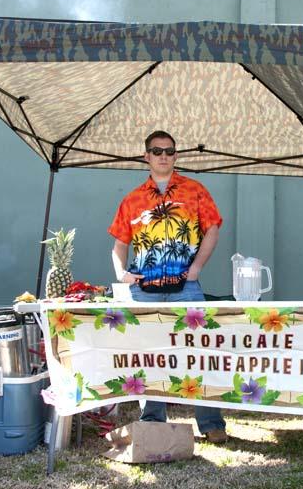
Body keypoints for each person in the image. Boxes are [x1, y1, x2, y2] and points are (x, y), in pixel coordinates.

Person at [108, 130, 227, 443]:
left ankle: (211, 423)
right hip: (143, 290)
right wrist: (122, 273)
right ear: (146, 156)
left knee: (199, 354)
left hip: (186, 287)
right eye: (157, 151)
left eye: (169, 151)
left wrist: (196, 268)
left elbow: (212, 230)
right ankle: (152, 423)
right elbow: (119, 245)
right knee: (149, 356)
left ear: (176, 156)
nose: (163, 156)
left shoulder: (195, 190)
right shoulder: (132, 199)